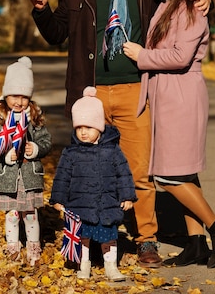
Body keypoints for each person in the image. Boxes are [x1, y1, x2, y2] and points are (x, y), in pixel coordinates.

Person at [30, 0, 212, 267]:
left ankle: (146, 240)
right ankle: (92, 236)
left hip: (135, 89)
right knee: (92, 168)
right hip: (91, 94)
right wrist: (41, 12)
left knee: (139, 171)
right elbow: (56, 34)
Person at [123, 0, 215, 269]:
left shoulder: (189, 7)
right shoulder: (168, 3)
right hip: (166, 92)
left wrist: (140, 56)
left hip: (180, 94)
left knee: (168, 175)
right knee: (183, 170)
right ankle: (196, 245)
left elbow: (180, 56)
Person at [50, 86, 137, 281]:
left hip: (106, 203)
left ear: (99, 127)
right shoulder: (71, 153)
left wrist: (127, 195)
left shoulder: (113, 151)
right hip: (80, 204)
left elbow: (124, 173)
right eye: (79, 128)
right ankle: (84, 265)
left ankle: (111, 266)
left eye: (88, 128)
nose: (83, 132)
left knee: (109, 237)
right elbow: (62, 177)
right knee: (84, 238)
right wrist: (58, 199)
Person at [0, 56, 52, 266]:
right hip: (8, 177)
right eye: (14, 96)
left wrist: (36, 148)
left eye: (24, 97)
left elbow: (46, 140)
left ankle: (33, 247)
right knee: (12, 215)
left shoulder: (34, 115)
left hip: (29, 176)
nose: (19, 102)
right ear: (6, 94)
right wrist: (2, 153)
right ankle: (13, 247)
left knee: (31, 215)